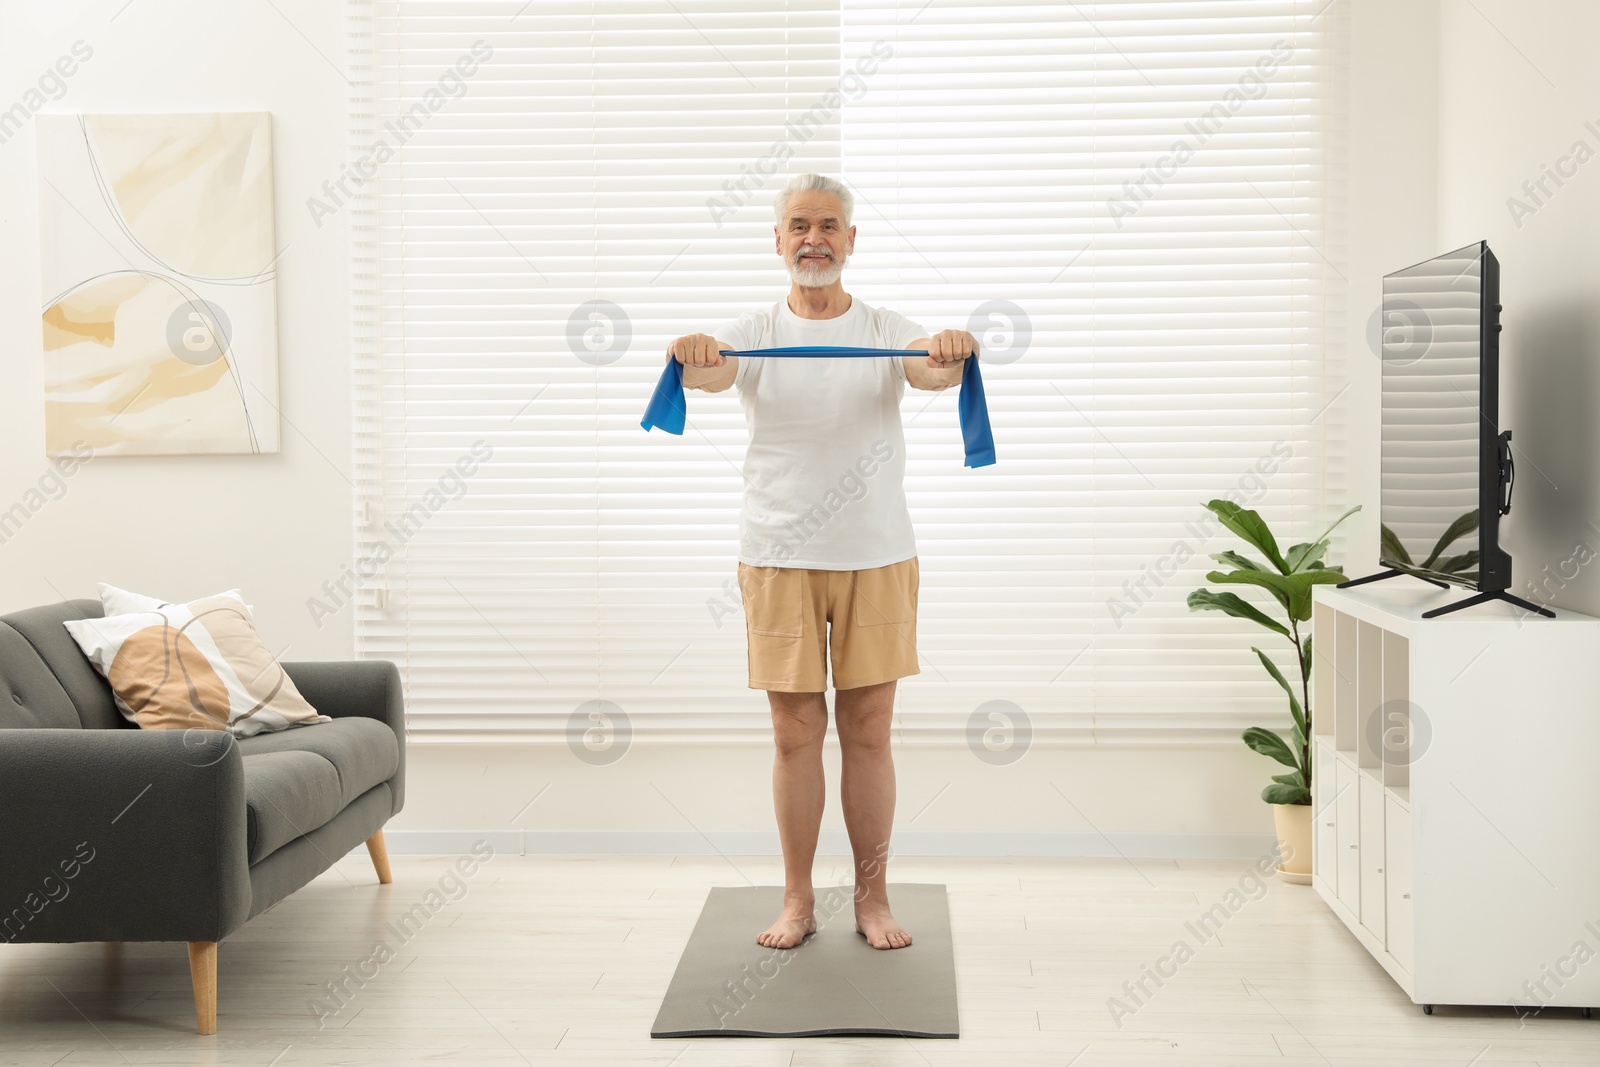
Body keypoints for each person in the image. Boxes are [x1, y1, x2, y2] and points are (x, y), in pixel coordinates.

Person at [664, 173, 977, 951]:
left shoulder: (883, 327)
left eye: (829, 225)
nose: (814, 238)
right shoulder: (755, 329)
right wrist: (690, 351)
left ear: (850, 240)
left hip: (877, 554)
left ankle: (872, 899)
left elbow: (931, 370)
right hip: (778, 557)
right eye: (799, 225)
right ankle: (798, 900)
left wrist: (953, 350)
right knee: (794, 733)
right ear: (777, 241)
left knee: (869, 730)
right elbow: (708, 374)